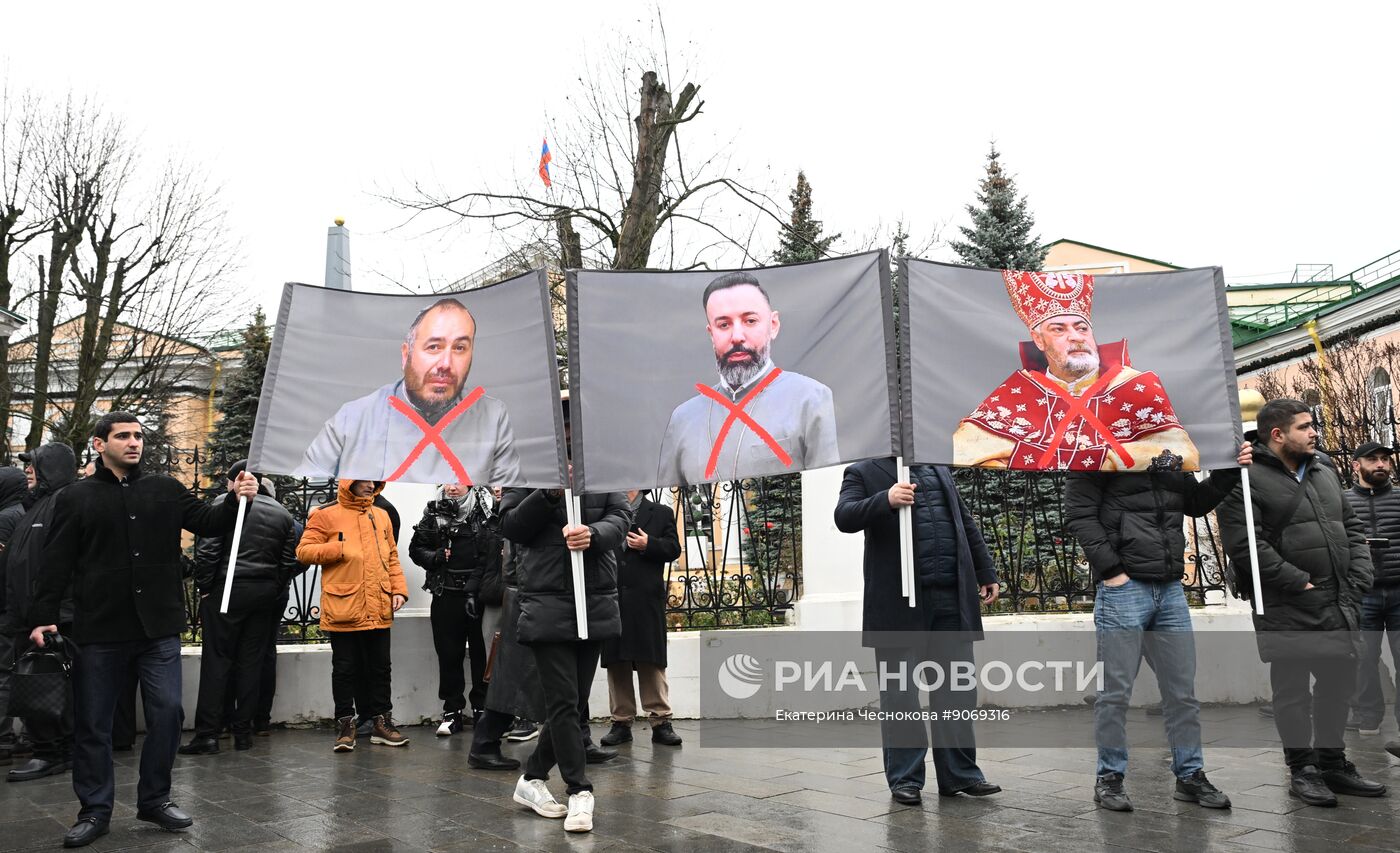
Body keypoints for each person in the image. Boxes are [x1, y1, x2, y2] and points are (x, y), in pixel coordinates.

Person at [27, 412, 258, 848]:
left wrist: (234, 498)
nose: (134, 443)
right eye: (123, 436)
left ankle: (155, 798)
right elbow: (54, 562)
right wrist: (42, 616)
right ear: (99, 444)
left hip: (158, 628)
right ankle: (94, 810)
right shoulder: (76, 498)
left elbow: (208, 523)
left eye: (138, 436)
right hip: (100, 630)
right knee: (94, 724)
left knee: (168, 712)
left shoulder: (165, 489)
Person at [1217, 399, 1387, 806]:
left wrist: (1360, 576)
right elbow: (1246, 545)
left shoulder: (1324, 468)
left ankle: (1332, 763)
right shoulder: (1242, 478)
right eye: (1305, 427)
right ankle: (1303, 769)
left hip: (1339, 597)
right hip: (1287, 602)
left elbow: (1352, 525)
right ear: (1277, 434)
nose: (1315, 433)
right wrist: (1299, 583)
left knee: (1338, 685)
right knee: (1292, 691)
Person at [1064, 441, 1251, 812]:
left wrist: (1230, 468)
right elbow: (1079, 515)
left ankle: (1190, 776)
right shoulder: (1092, 450)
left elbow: (1194, 502)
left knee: (1181, 692)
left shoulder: (1168, 449)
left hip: (1169, 589)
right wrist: (1112, 572)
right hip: (1124, 589)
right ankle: (1110, 778)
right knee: (1115, 693)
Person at [834, 458, 1002, 805]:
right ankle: (905, 779)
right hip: (899, 603)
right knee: (901, 696)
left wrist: (985, 570)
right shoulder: (863, 471)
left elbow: (963, 523)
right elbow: (844, 516)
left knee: (956, 691)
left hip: (950, 598)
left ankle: (961, 774)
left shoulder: (938, 470)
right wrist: (886, 500)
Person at [953, 270, 1199, 472]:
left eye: (1082, 328)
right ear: (1039, 341)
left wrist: (1101, 463)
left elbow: (1182, 454)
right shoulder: (1019, 391)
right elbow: (964, 451)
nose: (1075, 338)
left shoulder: (1134, 385)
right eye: (1059, 330)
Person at [501, 484, 629, 834]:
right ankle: (579, 790)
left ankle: (532, 778)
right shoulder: (526, 471)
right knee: (563, 702)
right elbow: (512, 526)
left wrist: (593, 533)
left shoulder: (601, 470)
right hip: (546, 605)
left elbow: (620, 516)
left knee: (571, 703)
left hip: (594, 602)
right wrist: (548, 495)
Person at [298, 297, 521, 484]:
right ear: (406, 355)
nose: (446, 363)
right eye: (434, 347)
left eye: (460, 348)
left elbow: (509, 496)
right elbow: (311, 485)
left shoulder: (493, 417)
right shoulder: (351, 419)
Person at [656, 271, 839, 487]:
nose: (737, 336)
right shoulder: (682, 419)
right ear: (711, 334)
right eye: (723, 325)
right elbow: (667, 508)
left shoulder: (811, 399)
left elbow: (828, 496)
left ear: (773, 325)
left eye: (750, 321)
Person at [179, 462, 300, 755]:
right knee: (251, 662)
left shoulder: (224, 504)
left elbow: (208, 551)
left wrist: (206, 587)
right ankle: (243, 732)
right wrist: (273, 586)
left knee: (217, 661)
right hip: (263, 594)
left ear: (236, 481)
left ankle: (208, 732)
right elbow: (289, 561)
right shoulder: (282, 514)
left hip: (226, 591)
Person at [296, 480, 409, 752]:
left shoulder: (381, 515)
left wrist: (399, 590)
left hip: (379, 603)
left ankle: (383, 723)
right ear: (350, 483)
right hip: (344, 604)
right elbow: (303, 551)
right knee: (345, 668)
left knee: (381, 668)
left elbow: (392, 557)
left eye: (374, 481)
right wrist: (336, 549)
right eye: (364, 481)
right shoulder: (325, 514)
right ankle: (346, 725)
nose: (371, 485)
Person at [1, 445, 77, 780]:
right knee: (38, 686)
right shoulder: (35, 506)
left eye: (34, 464)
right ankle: (51, 749)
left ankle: (53, 752)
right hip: (27, 617)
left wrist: (48, 615)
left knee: (48, 687)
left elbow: (57, 565)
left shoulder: (61, 503)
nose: (28, 470)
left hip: (48, 618)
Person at [408, 483, 500, 736]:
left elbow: (495, 550)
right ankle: (452, 711)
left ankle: (483, 708)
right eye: (446, 481)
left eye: (457, 480)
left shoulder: (486, 510)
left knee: (483, 653)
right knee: (449, 653)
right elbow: (416, 550)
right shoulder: (433, 512)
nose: (451, 487)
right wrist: (436, 556)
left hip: (480, 594)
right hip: (446, 592)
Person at [599, 489, 683, 747]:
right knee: (617, 661)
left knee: (651, 661)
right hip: (612, 597)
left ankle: (661, 721)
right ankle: (621, 721)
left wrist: (650, 545)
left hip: (646, 599)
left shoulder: (660, 512)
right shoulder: (604, 512)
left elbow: (673, 549)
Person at [1341, 441, 1400, 754]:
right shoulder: (1343, 501)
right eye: (1372, 459)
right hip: (1363, 593)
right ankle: (1368, 718)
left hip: (1399, 589)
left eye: (1384, 460)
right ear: (1355, 465)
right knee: (1364, 660)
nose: (1380, 464)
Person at [0, 463, 29, 767]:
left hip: (6, 609)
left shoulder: (6, 519)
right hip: (16, 608)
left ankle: (4, 737)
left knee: (4, 675)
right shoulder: (22, 514)